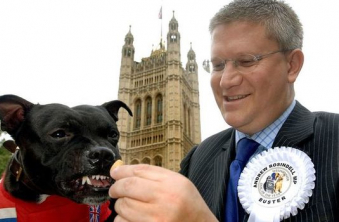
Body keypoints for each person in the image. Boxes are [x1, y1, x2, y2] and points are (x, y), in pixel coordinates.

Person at [109, 0, 339, 221]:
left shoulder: (335, 141)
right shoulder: (198, 159)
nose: (226, 81)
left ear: (292, 65)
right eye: (218, 65)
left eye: (247, 61)